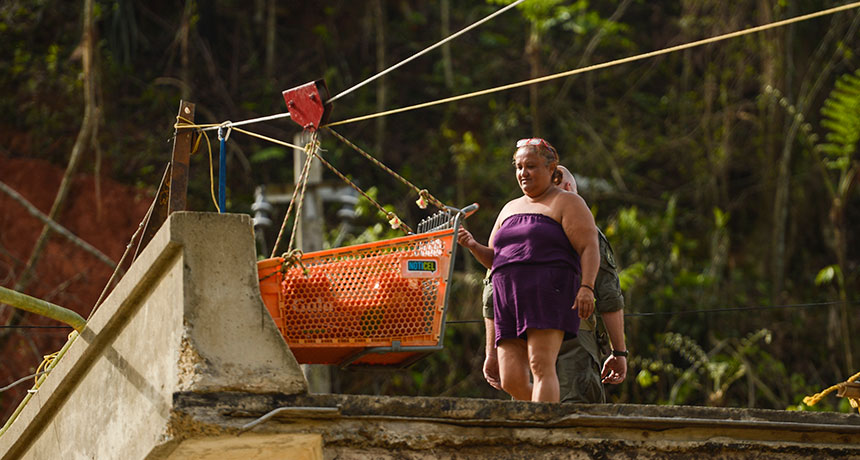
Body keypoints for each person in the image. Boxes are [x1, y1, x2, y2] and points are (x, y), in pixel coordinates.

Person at [457, 138, 599, 402]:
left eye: (531, 166)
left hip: (548, 293)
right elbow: (494, 260)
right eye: (519, 167)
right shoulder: (510, 208)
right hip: (508, 299)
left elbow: (589, 247)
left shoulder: (567, 202)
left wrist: (587, 287)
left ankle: (543, 431)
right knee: (510, 377)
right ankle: (545, 415)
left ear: (550, 168)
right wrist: (472, 245)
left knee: (541, 365)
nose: (524, 173)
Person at [480, 165, 627, 403]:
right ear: (570, 189)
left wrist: (492, 351)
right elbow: (609, 295)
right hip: (575, 338)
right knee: (574, 418)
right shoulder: (585, 230)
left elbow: (492, 293)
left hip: (522, 332)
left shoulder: (512, 227)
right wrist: (619, 351)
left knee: (532, 414)